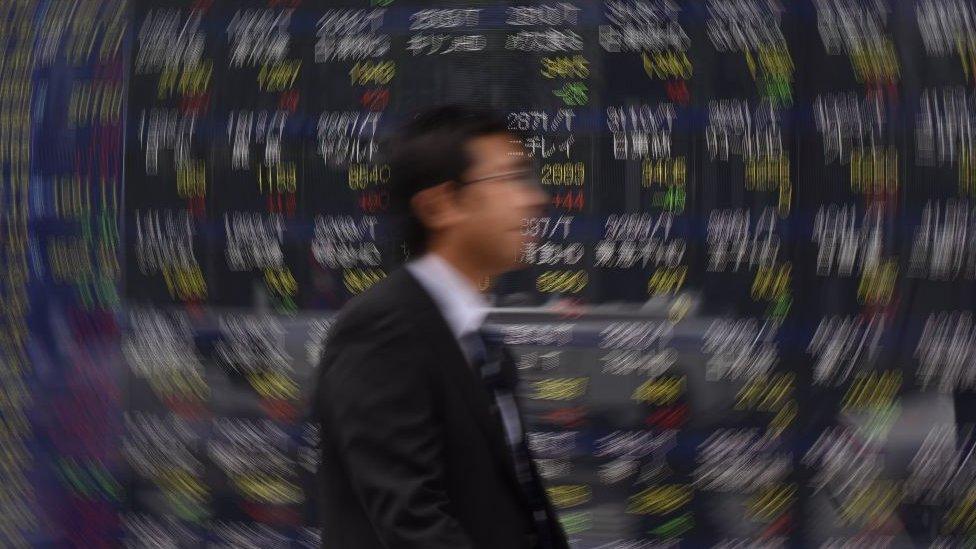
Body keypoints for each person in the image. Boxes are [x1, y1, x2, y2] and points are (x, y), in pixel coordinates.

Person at [312, 104, 570, 549]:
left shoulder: (479, 341)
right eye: (508, 179)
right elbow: (411, 518)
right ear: (439, 205)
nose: (533, 198)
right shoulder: (384, 330)